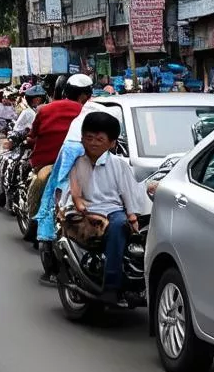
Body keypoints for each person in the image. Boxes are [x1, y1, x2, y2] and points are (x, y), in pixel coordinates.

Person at [68, 111, 144, 293]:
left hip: (112, 210)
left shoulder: (119, 164)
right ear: (82, 139)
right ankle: (111, 285)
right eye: (89, 138)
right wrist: (79, 204)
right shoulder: (77, 163)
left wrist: (132, 215)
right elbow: (75, 192)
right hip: (86, 210)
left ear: (112, 143)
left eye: (99, 139)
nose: (93, 143)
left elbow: (127, 192)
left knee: (119, 225)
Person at [26, 74, 93, 220]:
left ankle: (34, 219)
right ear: (84, 95)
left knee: (38, 186)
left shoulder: (44, 110)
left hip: (47, 163)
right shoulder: (89, 111)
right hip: (81, 163)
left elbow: (32, 135)